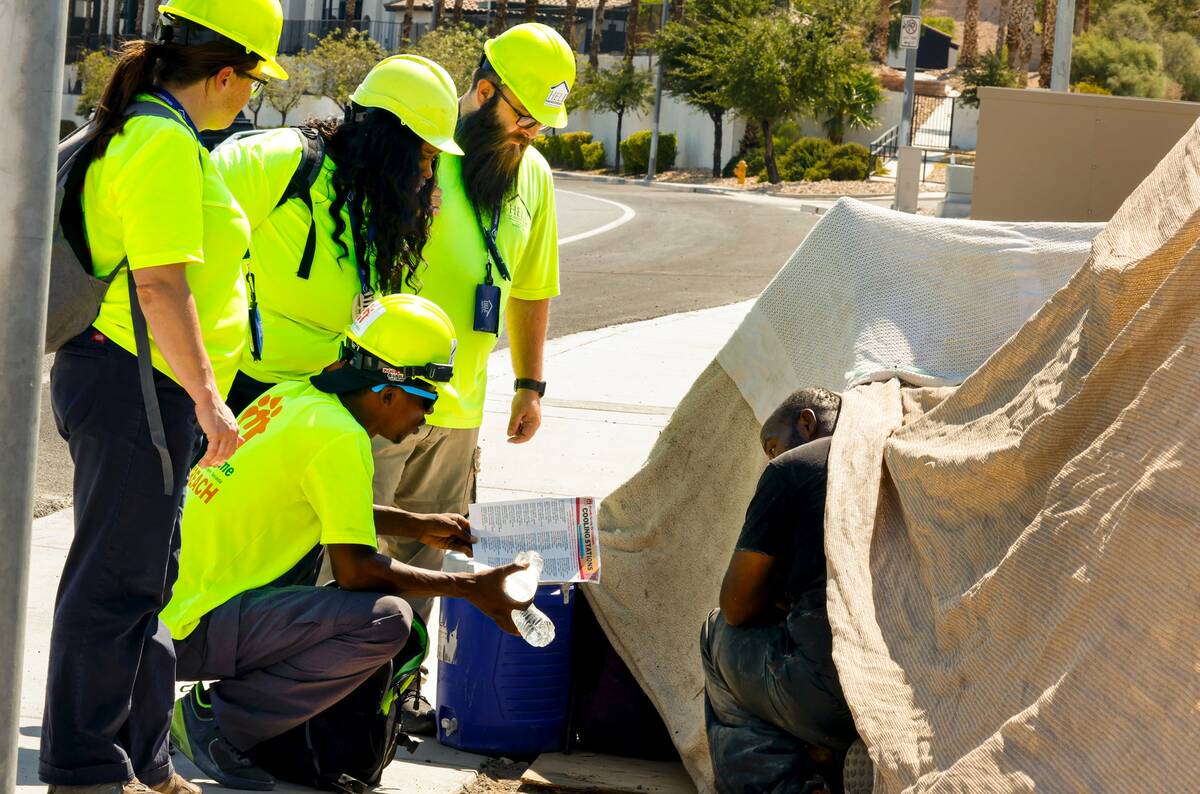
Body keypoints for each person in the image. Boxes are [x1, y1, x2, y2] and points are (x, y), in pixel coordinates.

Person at [41, 3, 287, 794]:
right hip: (132, 384)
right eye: (252, 81)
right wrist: (211, 399)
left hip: (142, 387)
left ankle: (145, 766)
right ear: (225, 74)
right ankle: (85, 772)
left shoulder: (163, 134)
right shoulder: (160, 143)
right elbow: (159, 286)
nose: (249, 96)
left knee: (147, 580)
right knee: (113, 585)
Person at [161, 295, 533, 791]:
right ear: (387, 391)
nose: (426, 419)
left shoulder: (294, 398)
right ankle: (215, 718)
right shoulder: (341, 438)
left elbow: (316, 504)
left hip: (174, 609)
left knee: (351, 599)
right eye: (426, 402)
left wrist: (417, 525)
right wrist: (470, 588)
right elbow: (357, 569)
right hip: (195, 626)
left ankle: (226, 711)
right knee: (385, 620)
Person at [373, 20, 575, 617]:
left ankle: (397, 696)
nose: (532, 134)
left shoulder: (532, 175)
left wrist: (529, 386)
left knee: (425, 562)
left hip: (459, 409)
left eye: (542, 125)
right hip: (380, 396)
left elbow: (531, 289)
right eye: (525, 117)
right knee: (351, 557)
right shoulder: (419, 148)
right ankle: (331, 704)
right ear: (484, 92)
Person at [208, 53, 463, 417]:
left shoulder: (383, 196)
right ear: (386, 140)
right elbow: (188, 249)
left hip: (331, 395)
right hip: (243, 393)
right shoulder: (280, 158)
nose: (427, 172)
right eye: (423, 156)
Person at [701, 388, 861, 794]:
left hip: (835, 694)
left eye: (772, 445)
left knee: (717, 632)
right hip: (913, 690)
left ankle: (782, 785)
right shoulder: (893, 449)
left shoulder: (794, 468)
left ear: (806, 422)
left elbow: (736, 606)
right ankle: (825, 760)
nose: (771, 458)